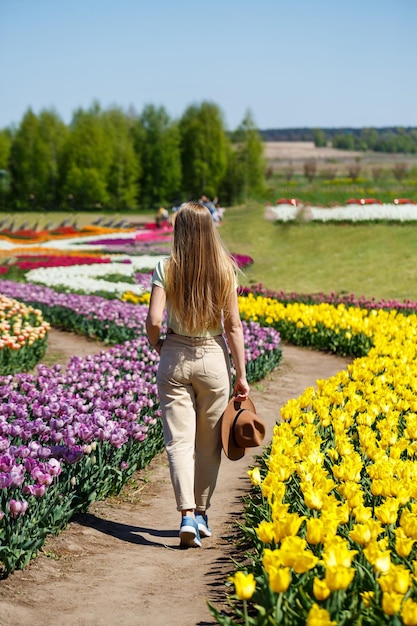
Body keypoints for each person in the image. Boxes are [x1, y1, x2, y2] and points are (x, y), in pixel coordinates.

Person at [146, 202, 250, 548]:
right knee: (209, 445)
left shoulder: (166, 267)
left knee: (178, 442)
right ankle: (203, 514)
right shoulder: (224, 269)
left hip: (174, 354)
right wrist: (241, 374)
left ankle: (186, 515)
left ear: (179, 230)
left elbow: (155, 320)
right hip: (212, 359)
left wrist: (158, 345)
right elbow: (233, 326)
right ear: (210, 230)